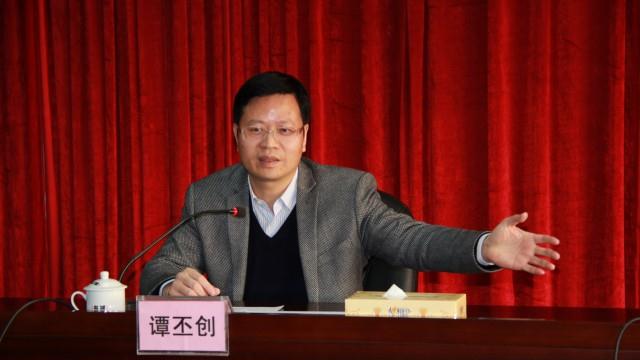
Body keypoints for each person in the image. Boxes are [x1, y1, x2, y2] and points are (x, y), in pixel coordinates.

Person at [140, 71, 560, 304]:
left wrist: (484, 247)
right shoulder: (208, 198)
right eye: (255, 130)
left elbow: (411, 240)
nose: (269, 144)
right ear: (236, 134)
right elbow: (160, 267)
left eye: (284, 130)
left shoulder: (348, 192)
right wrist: (170, 284)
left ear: (304, 137)